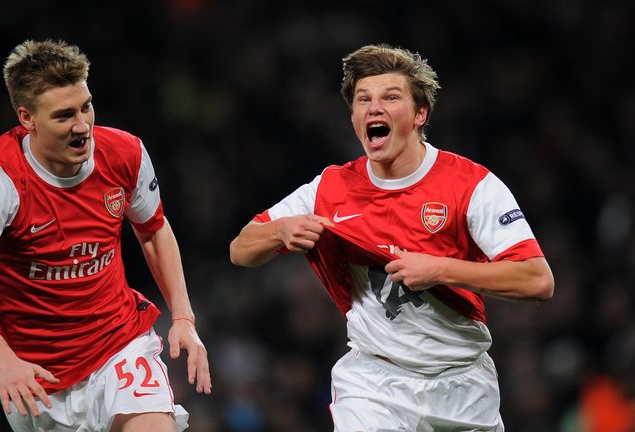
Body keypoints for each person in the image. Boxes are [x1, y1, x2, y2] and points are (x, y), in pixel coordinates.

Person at [229, 44, 554, 431]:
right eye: (363, 99)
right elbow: (241, 249)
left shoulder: (472, 184)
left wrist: (440, 269)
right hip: (373, 382)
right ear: (353, 116)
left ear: (420, 114)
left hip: (463, 385)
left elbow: (537, 280)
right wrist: (279, 230)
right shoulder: (331, 187)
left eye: (390, 97)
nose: (374, 108)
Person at [0, 39, 211, 432]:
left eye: (86, 107)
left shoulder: (125, 153)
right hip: (38, 378)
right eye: (65, 115)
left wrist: (183, 315)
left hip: (120, 346)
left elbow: (153, 231)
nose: (83, 127)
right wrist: (1, 360)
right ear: (27, 118)